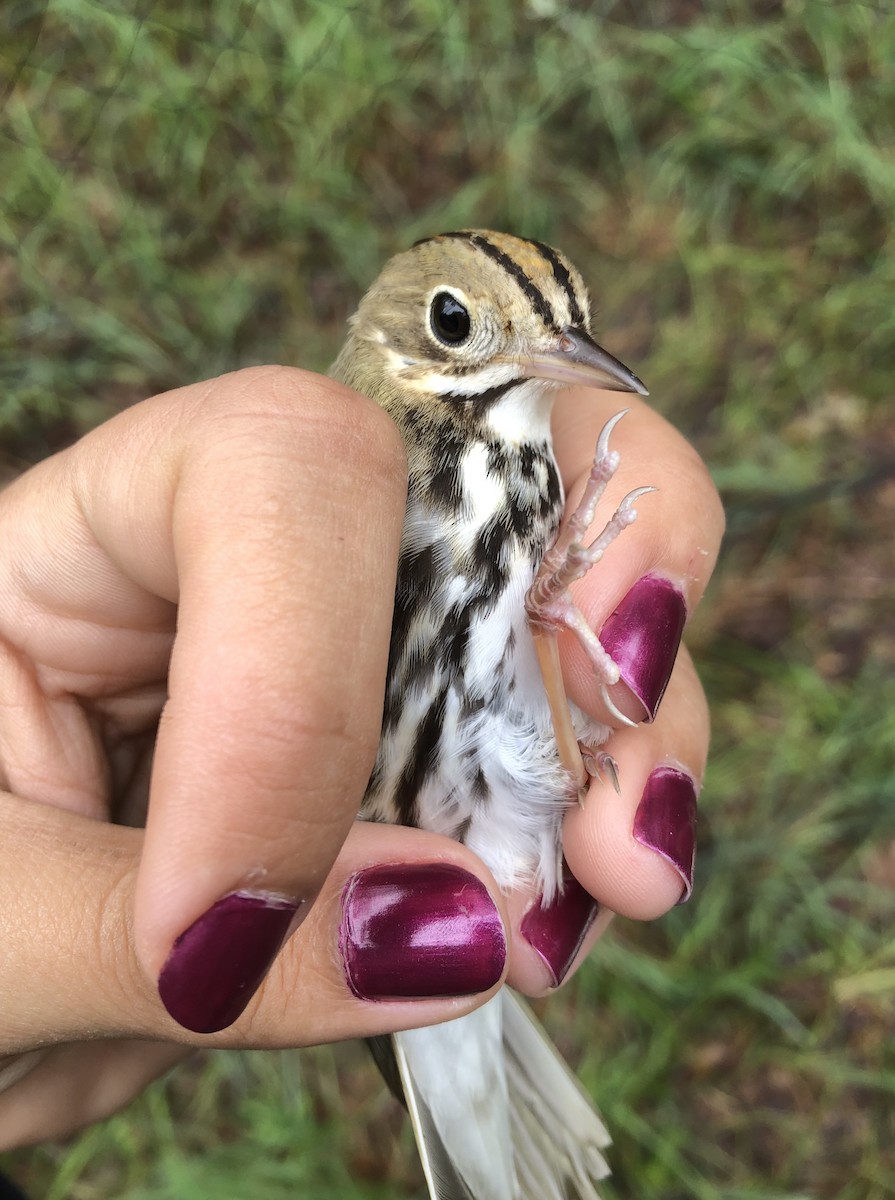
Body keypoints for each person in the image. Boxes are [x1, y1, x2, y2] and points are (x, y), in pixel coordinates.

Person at [0, 365, 723, 1150]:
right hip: (418, 838)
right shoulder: (412, 477)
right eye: (461, 325)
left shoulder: (495, 468)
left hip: (452, 826)